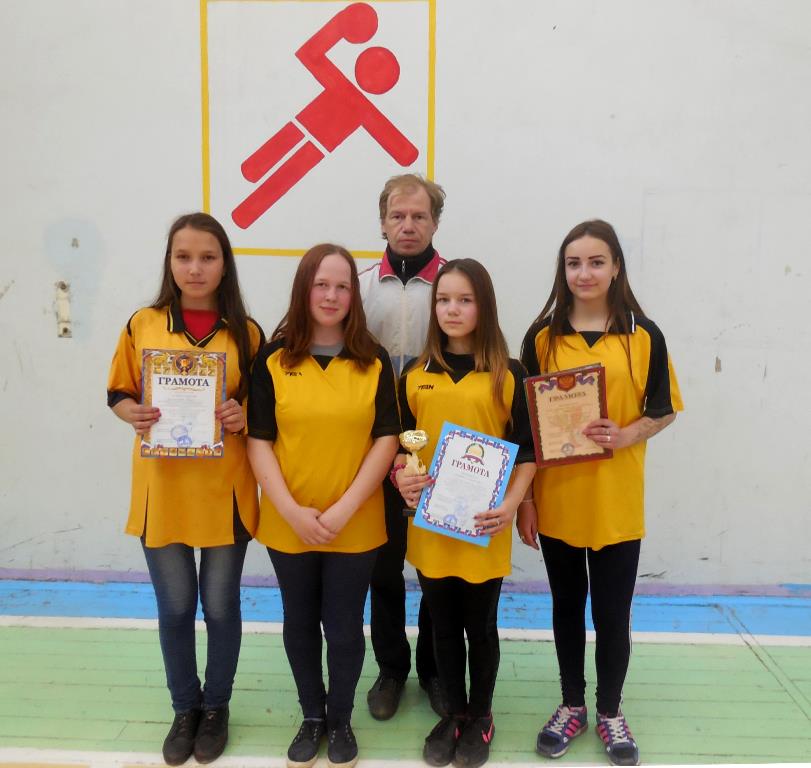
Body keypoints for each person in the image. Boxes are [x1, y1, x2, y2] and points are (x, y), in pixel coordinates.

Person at [518, 220, 683, 767]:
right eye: (574, 263)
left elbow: (663, 409)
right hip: (559, 500)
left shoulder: (644, 334)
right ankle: (572, 705)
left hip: (616, 502)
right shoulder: (541, 337)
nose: (584, 273)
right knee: (567, 607)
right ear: (562, 270)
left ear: (615, 268)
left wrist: (627, 434)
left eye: (595, 262)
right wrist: (526, 500)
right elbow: (526, 427)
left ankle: (610, 709)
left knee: (613, 613)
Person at [106, 212, 264, 765]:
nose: (195, 268)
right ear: (169, 263)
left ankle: (216, 708)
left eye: (207, 257)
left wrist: (241, 415)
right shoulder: (143, 324)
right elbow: (118, 392)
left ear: (225, 265)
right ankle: (185, 708)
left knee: (220, 608)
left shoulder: (247, 333)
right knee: (175, 609)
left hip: (225, 491)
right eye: (184, 257)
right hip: (163, 491)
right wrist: (132, 412)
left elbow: (263, 409)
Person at [246, 244, 400, 768]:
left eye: (342, 286)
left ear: (354, 296)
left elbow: (386, 439)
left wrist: (344, 508)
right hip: (288, 520)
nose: (331, 296)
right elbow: (258, 440)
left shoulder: (374, 361)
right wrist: (291, 511)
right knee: (300, 620)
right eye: (321, 285)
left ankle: (340, 719)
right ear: (303, 289)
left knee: (343, 624)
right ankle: (311, 715)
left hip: (354, 521)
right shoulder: (272, 359)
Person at [393, 259, 536, 768]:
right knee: (442, 625)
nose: (452, 309)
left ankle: (481, 715)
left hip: (484, 526)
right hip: (432, 526)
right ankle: (454, 713)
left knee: (481, 625)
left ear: (484, 306)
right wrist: (402, 476)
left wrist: (511, 505)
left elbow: (528, 452)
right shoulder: (415, 375)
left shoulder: (509, 374)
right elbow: (402, 447)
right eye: (444, 300)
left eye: (465, 300)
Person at [358, 173, 447, 720]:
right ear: (383, 222)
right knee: (383, 568)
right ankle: (391, 669)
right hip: (376, 449)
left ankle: (435, 670)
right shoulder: (360, 286)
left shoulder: (456, 286)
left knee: (435, 567)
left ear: (435, 223)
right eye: (398, 216)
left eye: (419, 216)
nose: (408, 225)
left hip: (437, 453)